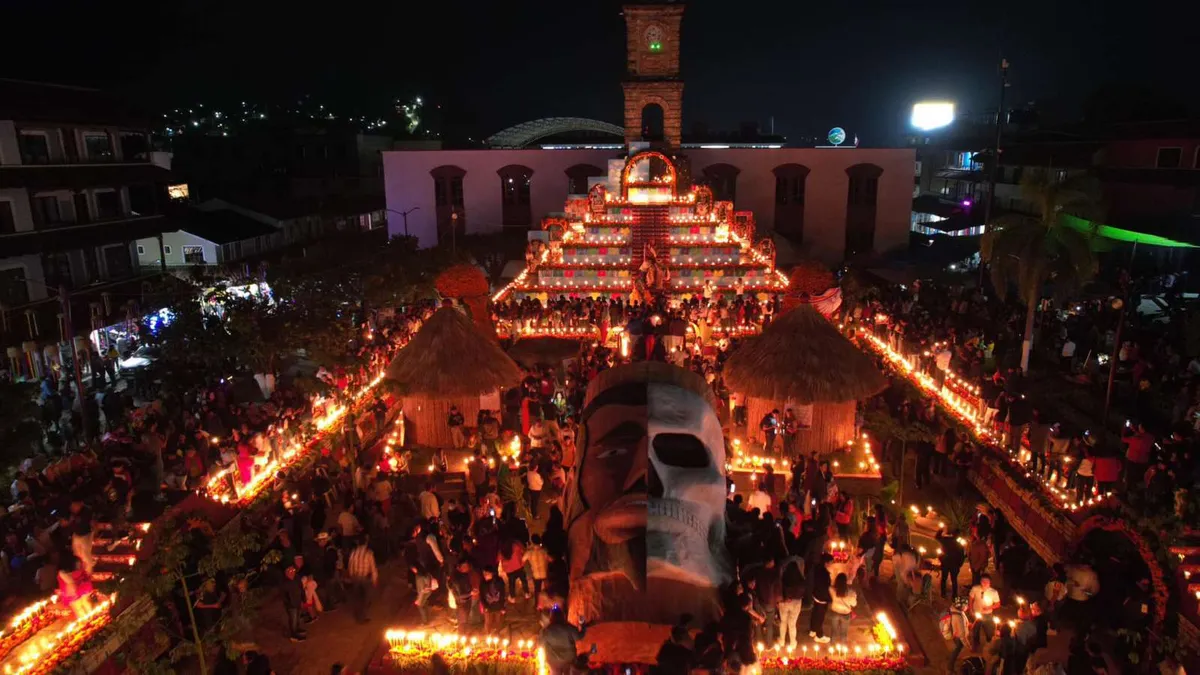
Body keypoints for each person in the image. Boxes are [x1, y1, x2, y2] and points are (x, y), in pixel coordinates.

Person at [539, 607, 587, 675]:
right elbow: (579, 637)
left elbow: (540, 644)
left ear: (551, 617)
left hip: (553, 661)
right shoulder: (570, 628)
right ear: (563, 616)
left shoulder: (547, 630)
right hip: (569, 659)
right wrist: (583, 625)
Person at [347, 536, 378, 624]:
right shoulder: (369, 553)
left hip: (356, 578)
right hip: (365, 578)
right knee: (366, 598)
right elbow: (373, 567)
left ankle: (358, 616)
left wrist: (351, 576)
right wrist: (374, 579)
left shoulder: (353, 553)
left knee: (358, 598)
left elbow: (350, 565)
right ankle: (363, 616)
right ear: (366, 543)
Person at [778, 553, 805, 649]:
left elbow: (780, 588)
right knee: (792, 624)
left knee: (783, 622)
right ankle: (793, 643)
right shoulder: (801, 580)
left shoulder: (784, 579)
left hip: (785, 602)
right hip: (796, 602)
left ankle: (782, 641)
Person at [968, 573, 999, 649]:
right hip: (976, 613)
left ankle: (990, 645)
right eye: (983, 581)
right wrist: (971, 609)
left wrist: (989, 607)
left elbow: (998, 604)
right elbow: (971, 598)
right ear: (980, 582)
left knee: (989, 631)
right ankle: (976, 644)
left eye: (987, 582)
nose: (985, 584)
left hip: (987, 615)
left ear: (990, 582)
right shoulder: (975, 589)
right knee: (975, 630)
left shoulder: (993, 592)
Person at [808, 553, 833, 643]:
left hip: (816, 595)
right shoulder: (824, 573)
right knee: (820, 617)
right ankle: (819, 635)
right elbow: (825, 586)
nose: (831, 564)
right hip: (822, 597)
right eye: (830, 562)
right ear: (826, 562)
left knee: (815, 613)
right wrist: (829, 598)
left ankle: (812, 630)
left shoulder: (817, 569)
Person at [943, 596, 971, 673]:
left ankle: (950, 665)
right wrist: (968, 645)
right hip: (958, 638)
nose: (967, 607)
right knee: (956, 651)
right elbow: (962, 634)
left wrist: (967, 624)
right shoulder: (958, 617)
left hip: (956, 636)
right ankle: (950, 668)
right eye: (966, 605)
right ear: (961, 606)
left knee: (956, 651)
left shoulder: (958, 612)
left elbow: (964, 623)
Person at [281, 565, 308, 642]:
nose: (292, 573)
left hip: (298, 601)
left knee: (298, 617)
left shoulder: (297, 578)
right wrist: (288, 603)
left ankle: (297, 629)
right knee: (293, 619)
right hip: (291, 604)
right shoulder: (284, 582)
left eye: (293, 571)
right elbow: (283, 595)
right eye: (290, 571)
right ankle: (293, 635)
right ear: (286, 573)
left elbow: (301, 589)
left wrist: (303, 599)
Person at [828, 572, 857, 644]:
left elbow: (830, 587)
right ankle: (843, 649)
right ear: (846, 581)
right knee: (844, 633)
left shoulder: (832, 590)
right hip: (845, 614)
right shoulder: (851, 592)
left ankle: (832, 646)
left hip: (835, 612)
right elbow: (854, 604)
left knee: (834, 631)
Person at [449, 558, 476, 630]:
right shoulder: (456, 579)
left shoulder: (464, 573)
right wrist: (471, 593)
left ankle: (465, 633)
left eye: (468, 566)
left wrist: (471, 590)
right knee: (462, 621)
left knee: (465, 618)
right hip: (462, 603)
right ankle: (462, 636)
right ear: (459, 567)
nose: (468, 568)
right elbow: (460, 595)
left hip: (467, 600)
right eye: (465, 566)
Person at [480, 566, 508, 633]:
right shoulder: (483, 583)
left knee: (498, 622)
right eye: (484, 574)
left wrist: (502, 607)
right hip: (488, 606)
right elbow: (481, 596)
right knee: (488, 622)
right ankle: (488, 635)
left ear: (492, 573)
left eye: (486, 573)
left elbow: (502, 594)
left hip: (498, 606)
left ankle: (497, 634)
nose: (485, 575)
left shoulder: (499, 581)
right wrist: (485, 606)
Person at [523, 534, 551, 600]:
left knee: (537, 590)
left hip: (536, 575)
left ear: (532, 542)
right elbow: (550, 559)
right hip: (545, 573)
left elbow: (523, 560)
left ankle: (537, 604)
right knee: (548, 589)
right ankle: (548, 603)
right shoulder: (544, 551)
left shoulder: (529, 552)